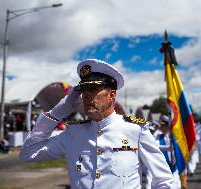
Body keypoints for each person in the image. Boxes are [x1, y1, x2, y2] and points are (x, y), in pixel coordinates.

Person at [19, 59, 173, 189]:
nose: (85, 95)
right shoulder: (73, 134)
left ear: (112, 95)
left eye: (93, 89)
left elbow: (164, 180)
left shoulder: (135, 130)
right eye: (83, 90)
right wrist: (55, 114)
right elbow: (28, 153)